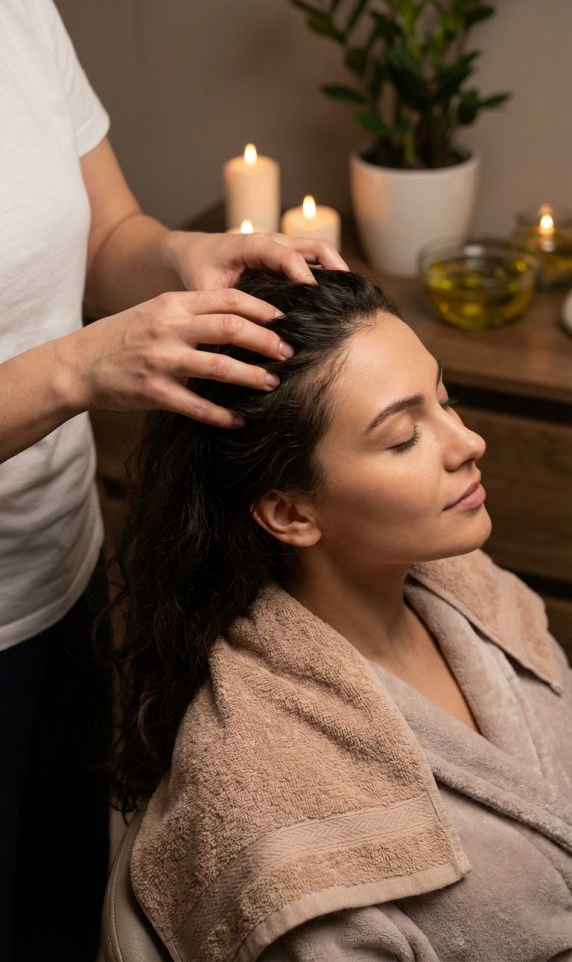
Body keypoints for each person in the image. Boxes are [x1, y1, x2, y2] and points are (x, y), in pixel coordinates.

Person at [0, 0, 346, 960]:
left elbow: (108, 230)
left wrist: (183, 258)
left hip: (60, 576)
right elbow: (74, 351)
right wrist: (76, 368)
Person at [115, 268, 572, 962]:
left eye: (445, 402)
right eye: (403, 437)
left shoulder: (471, 590)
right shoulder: (264, 793)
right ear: (291, 512)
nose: (467, 443)